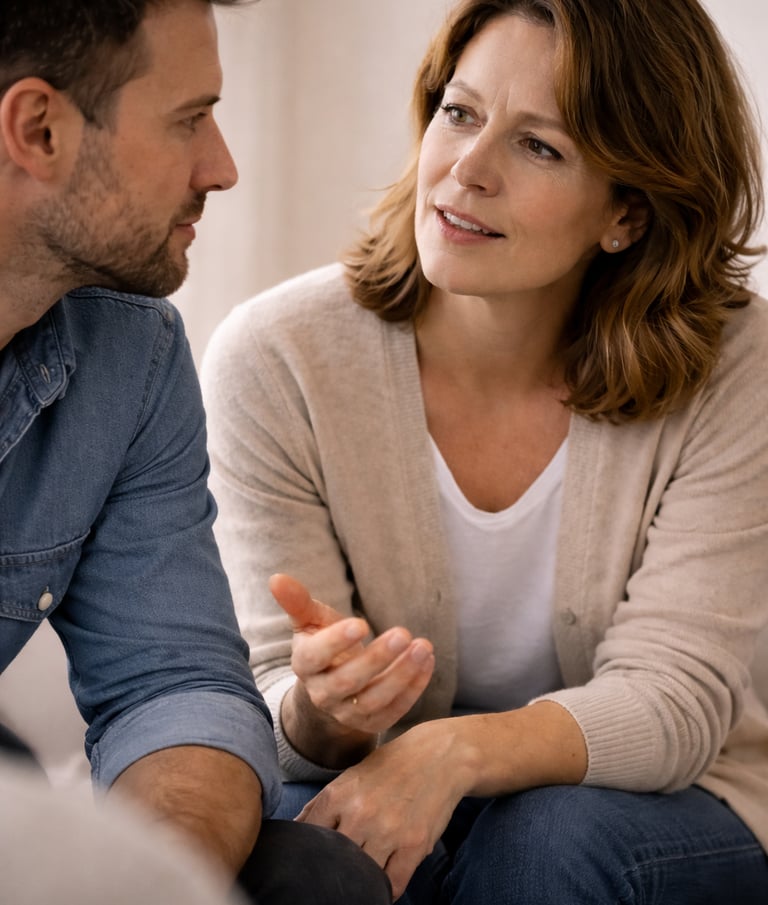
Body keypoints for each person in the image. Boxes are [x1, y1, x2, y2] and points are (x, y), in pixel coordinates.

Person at [201, 0, 768, 902]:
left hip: (676, 799)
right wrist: (324, 709)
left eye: (539, 146)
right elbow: (269, 703)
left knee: (545, 842)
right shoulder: (276, 359)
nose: (466, 169)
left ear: (627, 212)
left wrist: (455, 749)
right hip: (389, 771)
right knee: (302, 859)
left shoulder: (736, 364)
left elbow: (674, 699)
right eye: (459, 112)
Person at [0, 1, 391, 903]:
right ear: (40, 129)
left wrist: (154, 880)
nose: (222, 166)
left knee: (313, 877)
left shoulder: (132, 353)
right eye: (189, 119)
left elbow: (172, 685)